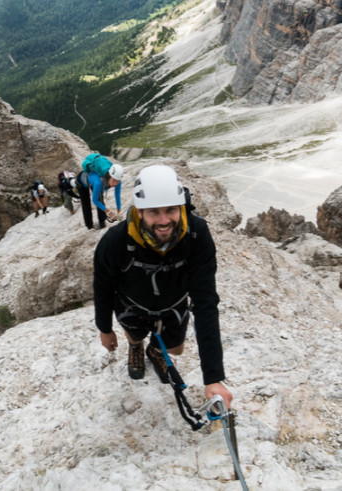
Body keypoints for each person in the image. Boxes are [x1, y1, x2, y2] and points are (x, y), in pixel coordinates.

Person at [92, 164, 232, 409]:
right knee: (135, 334)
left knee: (174, 349)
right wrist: (105, 328)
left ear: (181, 207)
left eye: (170, 210)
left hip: (173, 306)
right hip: (132, 306)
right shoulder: (116, 241)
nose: (164, 220)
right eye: (153, 212)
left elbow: (205, 300)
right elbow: (103, 286)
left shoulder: (196, 235)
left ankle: (156, 350)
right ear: (140, 211)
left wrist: (213, 378)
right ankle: (136, 345)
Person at [76, 162, 124, 229]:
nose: (115, 183)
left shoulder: (117, 179)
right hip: (81, 181)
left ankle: (102, 223)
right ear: (109, 176)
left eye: (117, 181)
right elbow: (94, 200)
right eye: (114, 180)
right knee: (86, 204)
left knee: (100, 201)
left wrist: (119, 213)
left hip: (93, 181)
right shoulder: (99, 183)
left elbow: (117, 195)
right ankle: (89, 226)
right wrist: (108, 211)